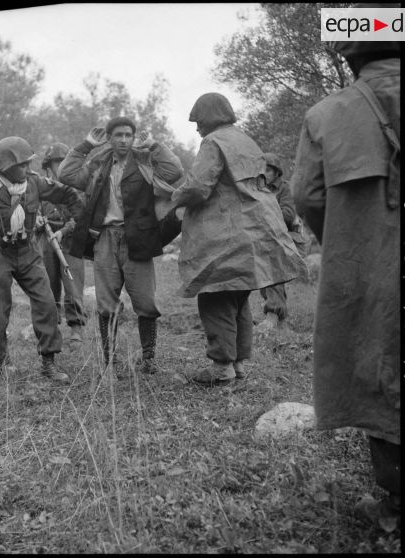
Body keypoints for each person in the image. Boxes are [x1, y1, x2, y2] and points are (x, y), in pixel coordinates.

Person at [290, 25, 401, 529]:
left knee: (381, 360)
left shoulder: (326, 114)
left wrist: (346, 243)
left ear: (351, 54)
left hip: (375, 265)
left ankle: (399, 508)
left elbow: (308, 198)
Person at [171, 93, 305, 385]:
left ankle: (222, 367)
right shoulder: (246, 141)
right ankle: (240, 363)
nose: (197, 128)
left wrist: (172, 197)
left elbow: (198, 187)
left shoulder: (213, 142)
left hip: (222, 235)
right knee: (238, 297)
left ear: (210, 117)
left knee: (214, 297)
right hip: (251, 234)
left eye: (199, 121)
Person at [58, 116, 184, 376]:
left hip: (139, 238)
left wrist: (154, 145)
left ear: (134, 137)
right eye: (118, 135)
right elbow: (67, 174)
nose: (124, 140)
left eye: (128, 135)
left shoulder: (144, 160)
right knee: (106, 302)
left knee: (146, 300)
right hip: (105, 239)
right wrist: (85, 145)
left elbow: (174, 172)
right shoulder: (98, 164)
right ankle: (111, 362)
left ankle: (148, 359)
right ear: (110, 137)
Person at [0, 136, 83, 382]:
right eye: (22, 165)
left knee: (46, 302)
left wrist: (80, 216)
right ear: (5, 167)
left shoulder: (35, 183)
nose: (28, 169)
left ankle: (48, 363)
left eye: (29, 164)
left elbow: (66, 192)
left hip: (28, 251)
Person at [35, 143, 87, 346]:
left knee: (73, 285)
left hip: (71, 242)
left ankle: (76, 328)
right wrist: (36, 220)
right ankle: (51, 327)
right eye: (57, 162)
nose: (60, 166)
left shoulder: (77, 187)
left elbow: (81, 216)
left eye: (64, 161)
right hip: (46, 241)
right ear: (49, 166)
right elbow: (32, 209)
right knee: (48, 285)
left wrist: (63, 231)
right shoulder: (41, 186)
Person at [257, 152, 302, 332]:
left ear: (276, 172)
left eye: (268, 170)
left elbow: (289, 216)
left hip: (289, 238)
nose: (264, 173)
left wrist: (262, 214)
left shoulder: (284, 188)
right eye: (262, 169)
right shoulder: (256, 188)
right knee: (261, 274)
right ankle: (280, 319)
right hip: (264, 237)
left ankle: (273, 315)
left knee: (273, 268)